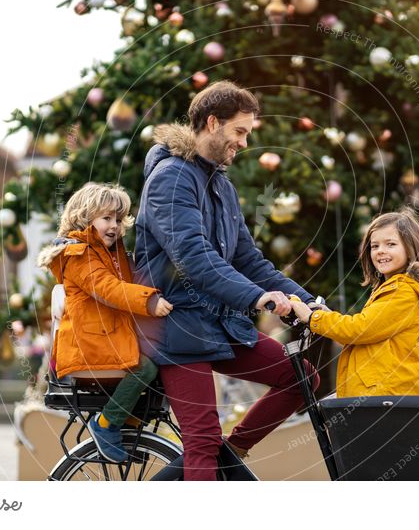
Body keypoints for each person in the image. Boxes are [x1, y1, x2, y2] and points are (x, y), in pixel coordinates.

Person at [134, 80, 321, 480]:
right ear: (212, 123)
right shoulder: (171, 179)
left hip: (216, 324)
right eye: (240, 131)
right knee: (201, 441)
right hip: (177, 327)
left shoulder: (221, 185)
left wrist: (312, 305)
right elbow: (194, 260)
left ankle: (231, 453)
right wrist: (258, 300)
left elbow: (249, 260)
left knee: (302, 376)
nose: (244, 142)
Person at [38, 183, 173, 463]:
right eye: (106, 219)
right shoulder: (78, 255)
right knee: (144, 367)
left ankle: (127, 426)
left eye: (119, 220)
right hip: (88, 350)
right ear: (84, 218)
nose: (115, 226)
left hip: (103, 341)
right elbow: (108, 289)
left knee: (161, 360)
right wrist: (149, 301)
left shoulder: (110, 252)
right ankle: (106, 424)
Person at [291, 209, 419, 396]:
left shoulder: (402, 291)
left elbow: (359, 329)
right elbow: (369, 329)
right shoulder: (392, 288)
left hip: (387, 396)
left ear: (410, 249)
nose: (380, 251)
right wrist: (325, 314)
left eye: (391, 244)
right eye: (374, 246)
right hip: (385, 393)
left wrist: (313, 317)